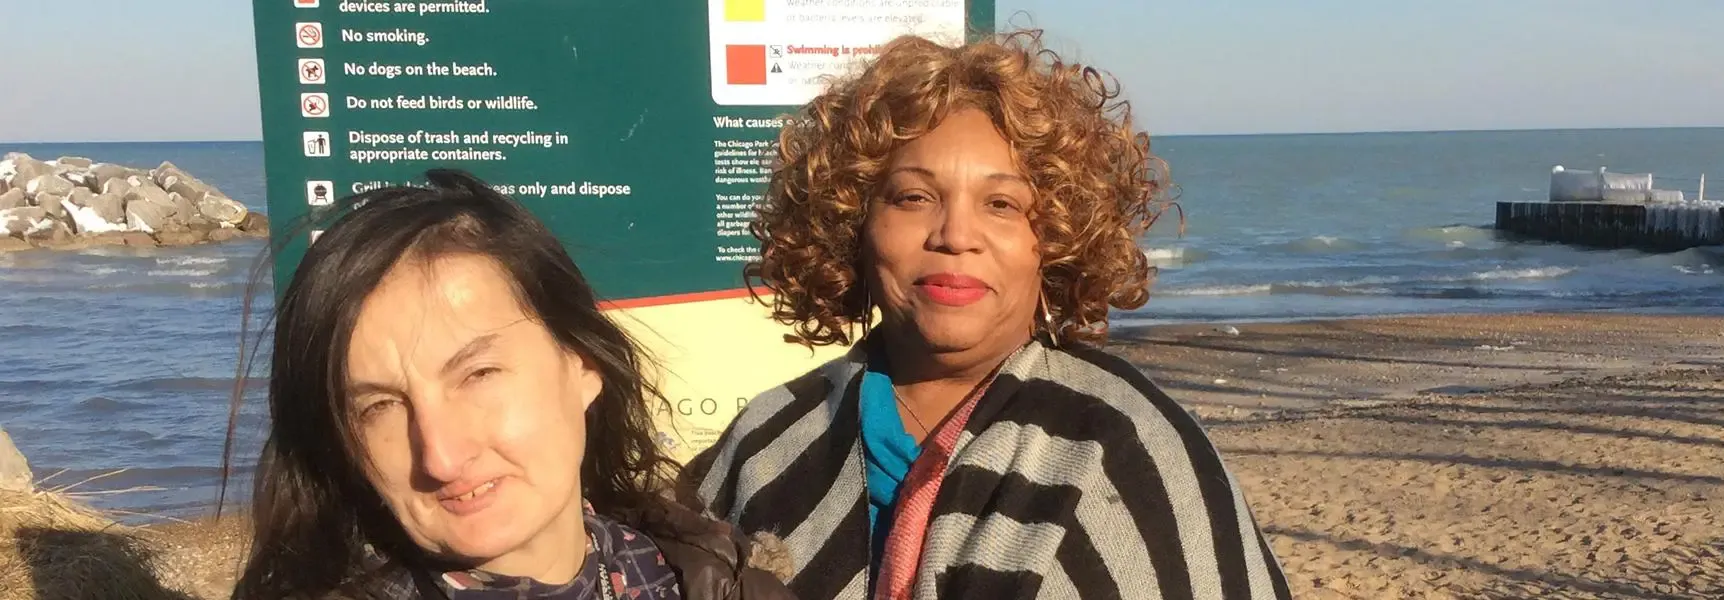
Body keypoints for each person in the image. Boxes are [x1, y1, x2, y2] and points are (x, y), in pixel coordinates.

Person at [679, 31, 1292, 600]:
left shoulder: (1128, 446)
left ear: (1057, 240)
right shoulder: (765, 444)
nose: (955, 235)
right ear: (853, 225)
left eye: (1000, 204)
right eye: (914, 197)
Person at [227, 169, 794, 600]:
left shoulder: (718, 581)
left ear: (582, 365)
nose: (441, 457)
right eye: (379, 406)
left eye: (478, 374)